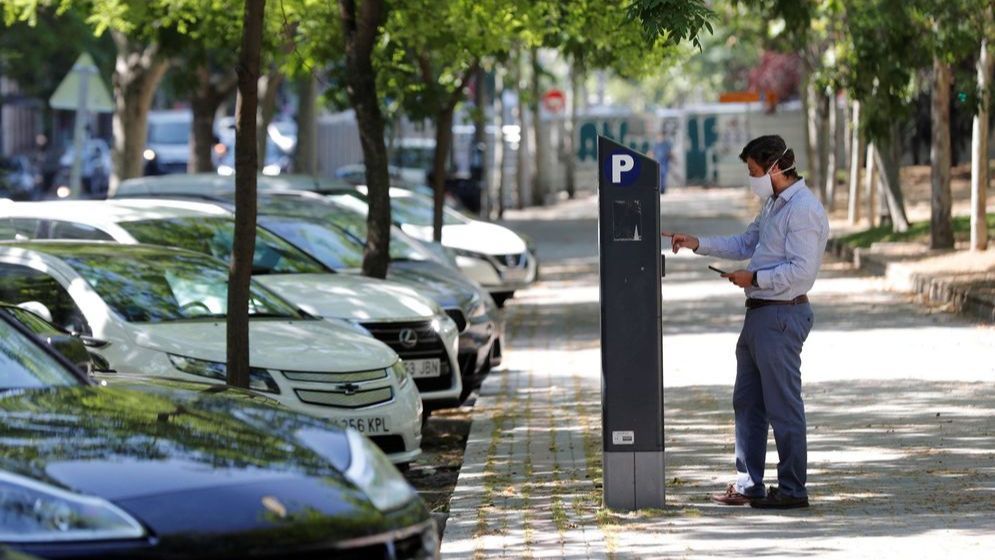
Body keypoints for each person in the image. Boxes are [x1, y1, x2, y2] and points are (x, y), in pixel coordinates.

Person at [662, 135, 830, 509]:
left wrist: (755, 279)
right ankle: (749, 483)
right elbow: (744, 244)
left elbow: (802, 273)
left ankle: (792, 490)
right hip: (759, 315)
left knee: (783, 406)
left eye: (754, 172)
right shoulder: (773, 205)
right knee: (748, 404)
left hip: (782, 314)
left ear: (775, 168)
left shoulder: (803, 210)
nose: (752, 179)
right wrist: (696, 243)